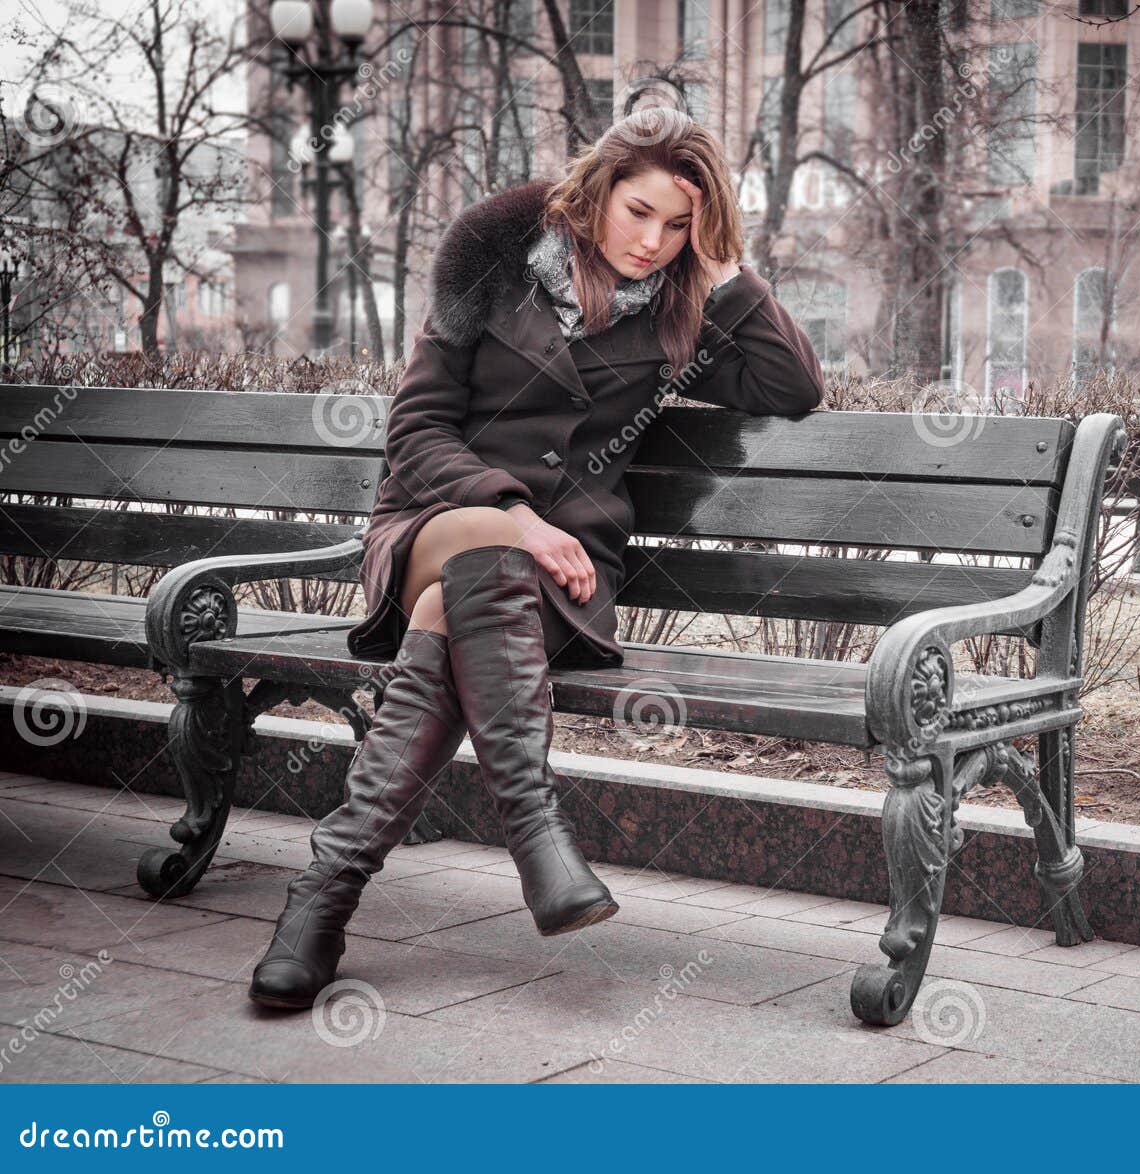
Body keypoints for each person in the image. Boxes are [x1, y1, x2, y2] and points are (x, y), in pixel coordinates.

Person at [248, 106, 826, 1009]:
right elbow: (416, 430)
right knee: (482, 553)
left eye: (678, 225)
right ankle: (535, 831)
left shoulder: (677, 306)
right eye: (640, 212)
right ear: (596, 191)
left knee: (476, 594)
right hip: (431, 526)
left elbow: (792, 387)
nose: (653, 241)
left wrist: (721, 268)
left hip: (562, 577)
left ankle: (319, 904)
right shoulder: (490, 266)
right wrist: (515, 515)